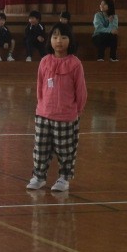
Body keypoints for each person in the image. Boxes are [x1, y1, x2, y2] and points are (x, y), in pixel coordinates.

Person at [26, 22, 87, 192]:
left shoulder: (75, 64)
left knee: (65, 149)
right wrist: (41, 106)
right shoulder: (44, 61)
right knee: (41, 148)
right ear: (50, 40)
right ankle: (39, 176)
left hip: (66, 116)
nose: (59, 41)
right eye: (55, 37)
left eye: (63, 37)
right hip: (43, 114)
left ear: (70, 40)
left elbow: (81, 90)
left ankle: (64, 178)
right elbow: (39, 86)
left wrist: (77, 111)